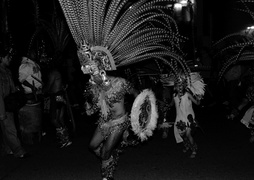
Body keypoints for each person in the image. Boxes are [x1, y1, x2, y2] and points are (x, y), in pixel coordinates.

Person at [57, 0, 190, 179]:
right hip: (104, 122)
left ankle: (107, 174)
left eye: (90, 68)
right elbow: (92, 107)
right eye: (86, 69)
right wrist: (89, 108)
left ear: (100, 67)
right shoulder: (91, 86)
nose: (87, 71)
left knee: (104, 152)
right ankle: (109, 157)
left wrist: (145, 118)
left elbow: (139, 96)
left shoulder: (119, 83)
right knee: (93, 147)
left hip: (120, 122)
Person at [167, 72, 205, 158]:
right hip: (179, 118)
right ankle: (187, 145)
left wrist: (199, 99)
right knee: (182, 135)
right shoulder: (174, 96)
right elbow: (171, 104)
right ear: (175, 87)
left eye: (181, 85)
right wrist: (165, 105)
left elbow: (197, 103)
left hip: (189, 118)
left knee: (188, 134)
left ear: (184, 86)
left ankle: (194, 149)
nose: (179, 87)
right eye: (178, 85)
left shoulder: (187, 94)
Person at [0, 48, 28, 158]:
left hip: (8, 103)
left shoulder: (7, 71)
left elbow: (11, 88)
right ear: (1, 58)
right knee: (10, 128)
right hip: (3, 104)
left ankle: (8, 149)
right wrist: (2, 111)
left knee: (6, 128)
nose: (9, 59)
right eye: (7, 57)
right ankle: (19, 151)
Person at [42, 65, 72, 148]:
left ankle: (64, 139)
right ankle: (66, 138)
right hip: (60, 96)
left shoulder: (53, 73)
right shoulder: (57, 73)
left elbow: (49, 86)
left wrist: (43, 90)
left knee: (54, 119)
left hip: (56, 97)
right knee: (60, 118)